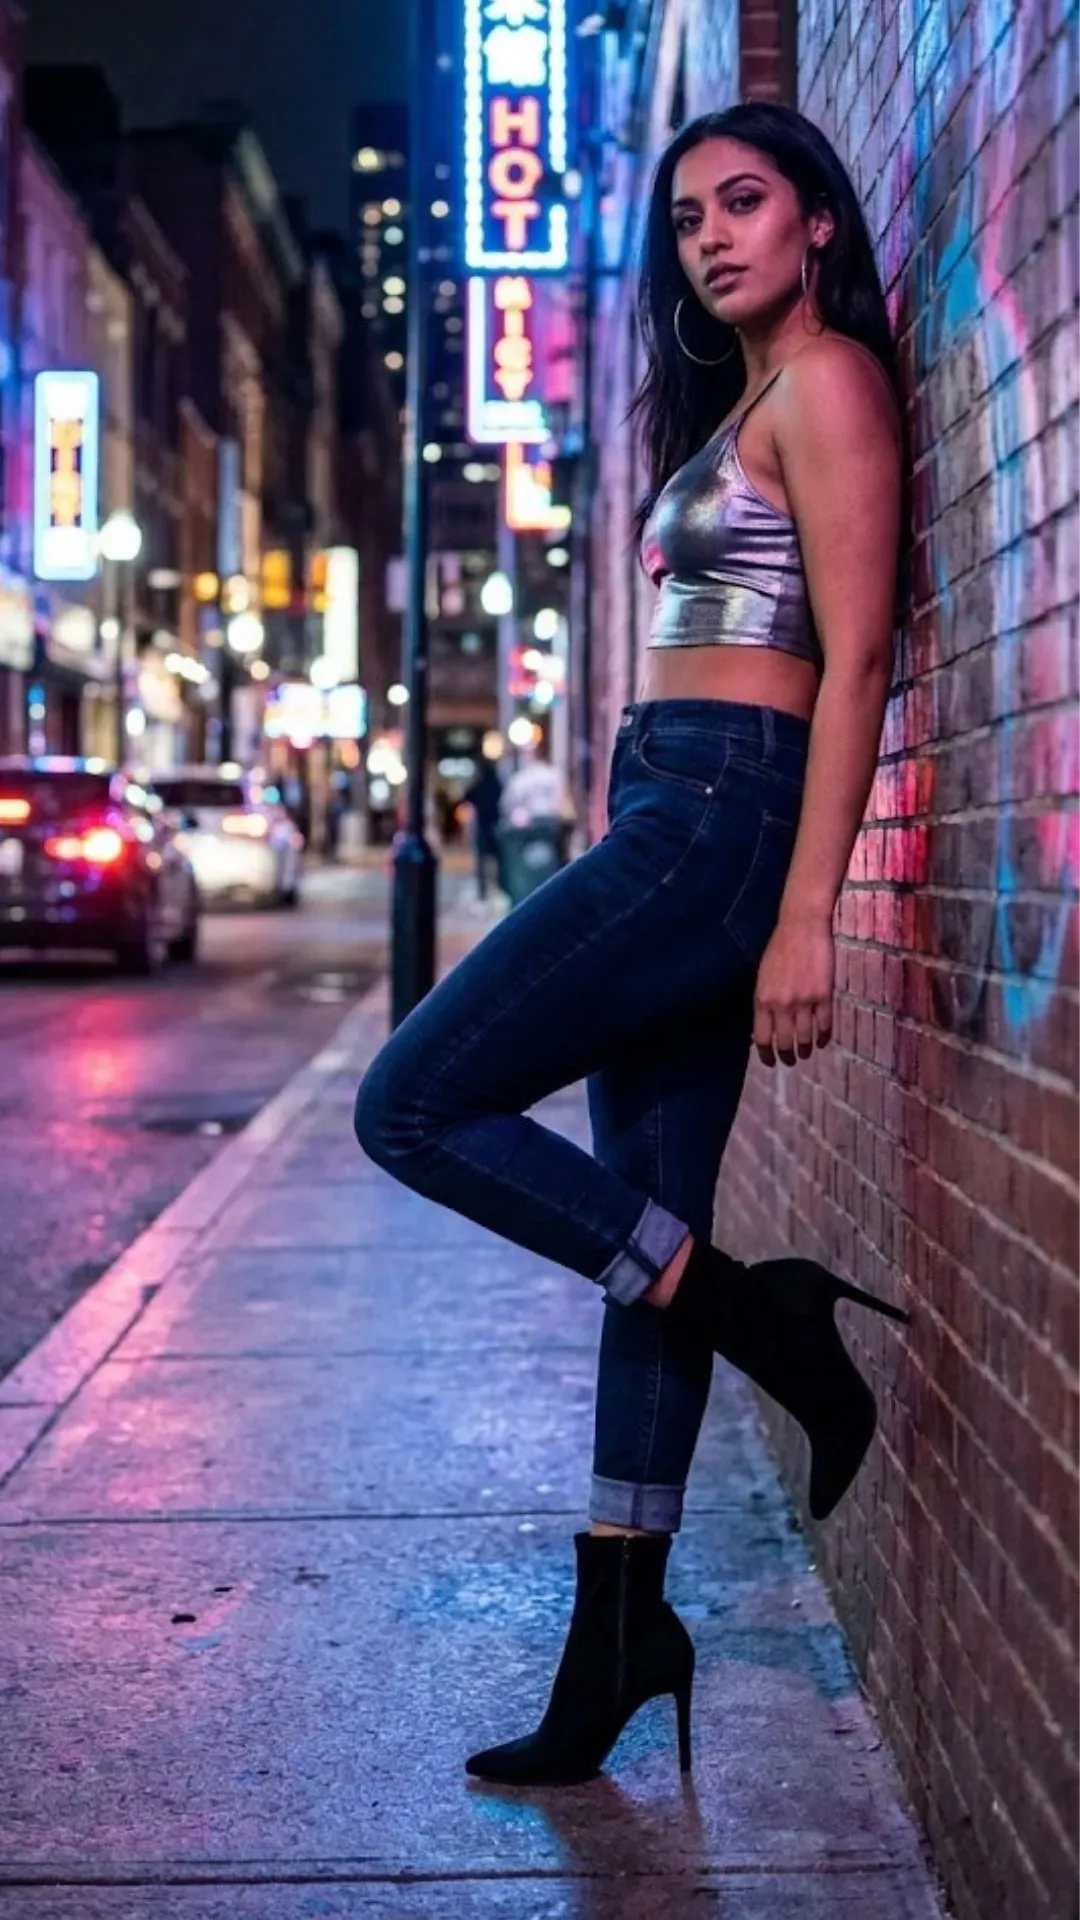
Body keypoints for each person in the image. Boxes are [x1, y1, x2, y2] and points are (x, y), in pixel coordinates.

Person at [354, 100, 910, 1788]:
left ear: (817, 223)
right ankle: (615, 1645)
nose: (712, 237)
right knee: (635, 1235)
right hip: (672, 805)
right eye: (686, 220)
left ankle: (764, 1318)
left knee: (412, 1105)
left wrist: (807, 907)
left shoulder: (827, 385)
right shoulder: (739, 400)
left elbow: (864, 658)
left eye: (746, 203)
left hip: (719, 820)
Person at [462, 756, 504, 900]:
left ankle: (484, 891)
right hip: (496, 824)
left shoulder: (481, 784)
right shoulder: (496, 784)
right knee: (497, 858)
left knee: (483, 859)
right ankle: (496, 887)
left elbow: (466, 796)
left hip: (483, 825)